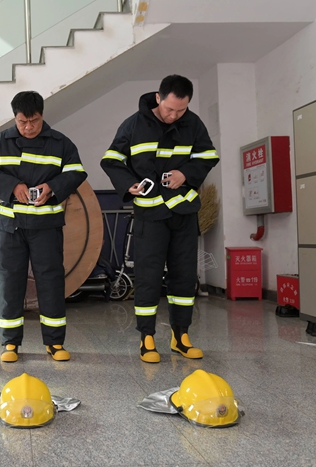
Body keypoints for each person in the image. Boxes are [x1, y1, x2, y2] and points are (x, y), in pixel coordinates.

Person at [101, 75, 219, 364]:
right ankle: (147, 338)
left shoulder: (194, 124)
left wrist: (185, 174)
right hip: (150, 213)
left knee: (184, 276)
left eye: (181, 110)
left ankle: (181, 336)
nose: (174, 115)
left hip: (184, 212)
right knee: (148, 277)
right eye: (169, 109)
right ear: (158, 98)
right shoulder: (133, 125)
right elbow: (112, 160)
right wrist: (128, 184)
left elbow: (208, 156)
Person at [0, 91, 87, 363]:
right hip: (10, 226)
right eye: (22, 122)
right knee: (9, 283)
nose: (28, 127)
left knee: (50, 282)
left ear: (42, 115)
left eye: (34, 121)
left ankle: (54, 342)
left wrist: (53, 187)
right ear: (15, 118)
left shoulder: (60, 143)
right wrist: (13, 186)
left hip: (46, 225)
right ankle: (10, 343)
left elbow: (76, 172)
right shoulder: (0, 142)